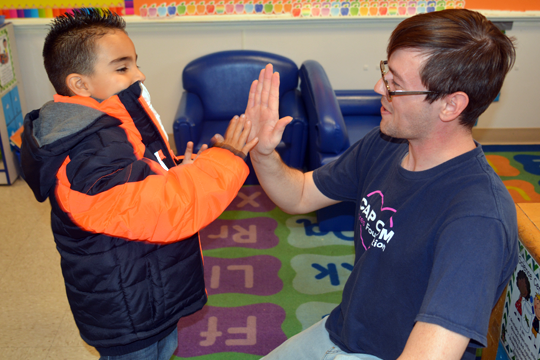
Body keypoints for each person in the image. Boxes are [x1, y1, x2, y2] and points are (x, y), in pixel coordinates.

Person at [245, 9, 518, 360]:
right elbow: (298, 195)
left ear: (451, 105)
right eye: (385, 72)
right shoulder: (386, 144)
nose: (379, 87)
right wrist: (263, 153)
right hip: (342, 331)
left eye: (396, 84)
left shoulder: (477, 218)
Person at [20, 8, 257, 360]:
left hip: (146, 288)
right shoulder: (88, 146)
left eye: (135, 63)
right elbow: (158, 208)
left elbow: (138, 177)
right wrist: (226, 160)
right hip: (128, 309)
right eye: (122, 67)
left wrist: (180, 170)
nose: (140, 74)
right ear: (80, 84)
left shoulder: (107, 123)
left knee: (166, 349)